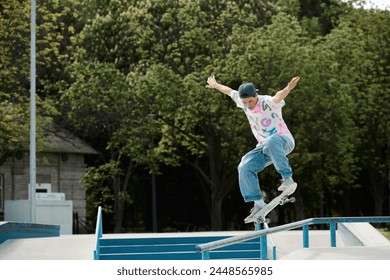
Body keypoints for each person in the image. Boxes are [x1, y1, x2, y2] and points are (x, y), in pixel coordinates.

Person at [205, 75, 301, 223]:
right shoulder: (242, 102)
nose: (248, 105)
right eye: (245, 102)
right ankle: (258, 203)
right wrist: (216, 85)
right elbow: (229, 91)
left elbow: (277, 96)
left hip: (283, 142)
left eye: (251, 101)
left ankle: (287, 178)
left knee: (271, 140)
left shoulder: (267, 102)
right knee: (244, 166)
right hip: (265, 147)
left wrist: (288, 88)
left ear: (256, 95)